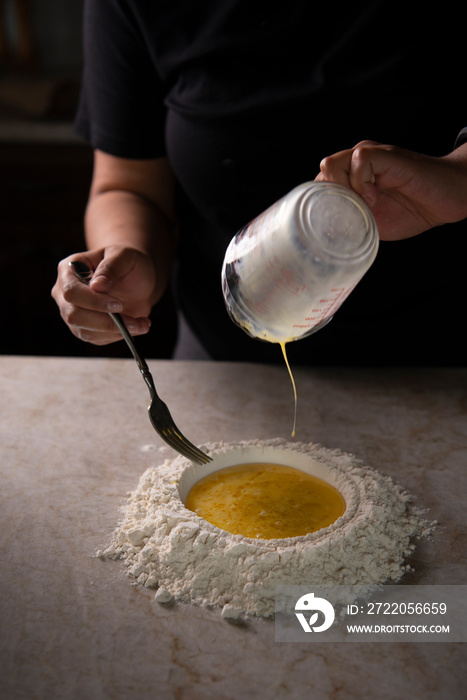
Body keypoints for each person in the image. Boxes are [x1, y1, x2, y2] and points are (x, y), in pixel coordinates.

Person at [52, 1, 467, 366]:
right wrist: (123, 264)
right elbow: (128, 186)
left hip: (443, 355)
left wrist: (459, 178)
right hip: (227, 362)